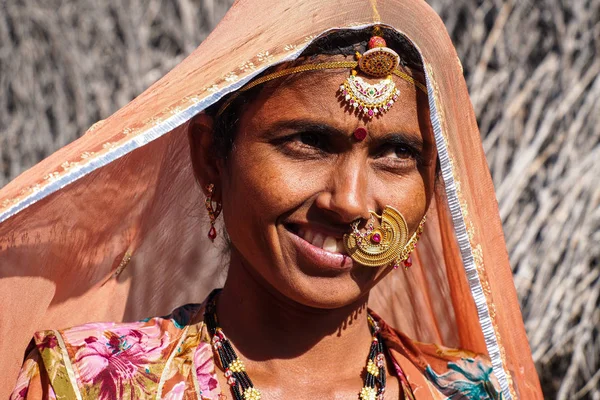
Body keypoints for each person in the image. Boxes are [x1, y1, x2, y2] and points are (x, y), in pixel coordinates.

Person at [1, 0, 543, 399]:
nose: (350, 202)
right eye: (307, 142)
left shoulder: (469, 392)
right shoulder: (86, 381)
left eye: (397, 153)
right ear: (212, 157)